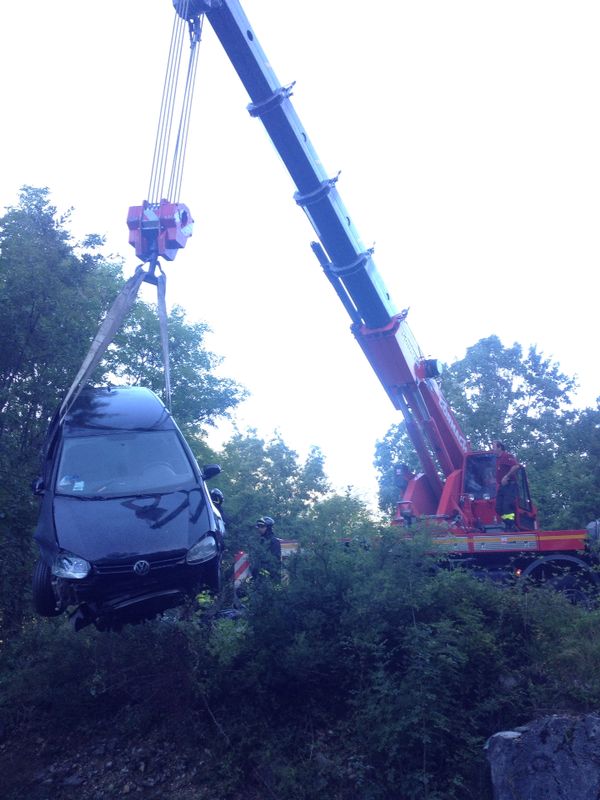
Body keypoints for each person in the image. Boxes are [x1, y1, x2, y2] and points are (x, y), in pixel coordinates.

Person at [493, 440, 521, 531]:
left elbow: (516, 466)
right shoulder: (497, 459)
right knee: (498, 507)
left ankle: (511, 525)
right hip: (502, 487)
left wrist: (506, 476)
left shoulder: (507, 456)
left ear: (499, 447)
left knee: (506, 506)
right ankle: (508, 523)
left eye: (494, 447)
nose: (492, 449)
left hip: (510, 485)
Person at [251, 516, 282, 580]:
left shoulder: (274, 541)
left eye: (262, 526)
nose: (259, 529)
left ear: (268, 528)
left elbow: (275, 559)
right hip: (260, 572)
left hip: (271, 574)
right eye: (258, 526)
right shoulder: (260, 540)